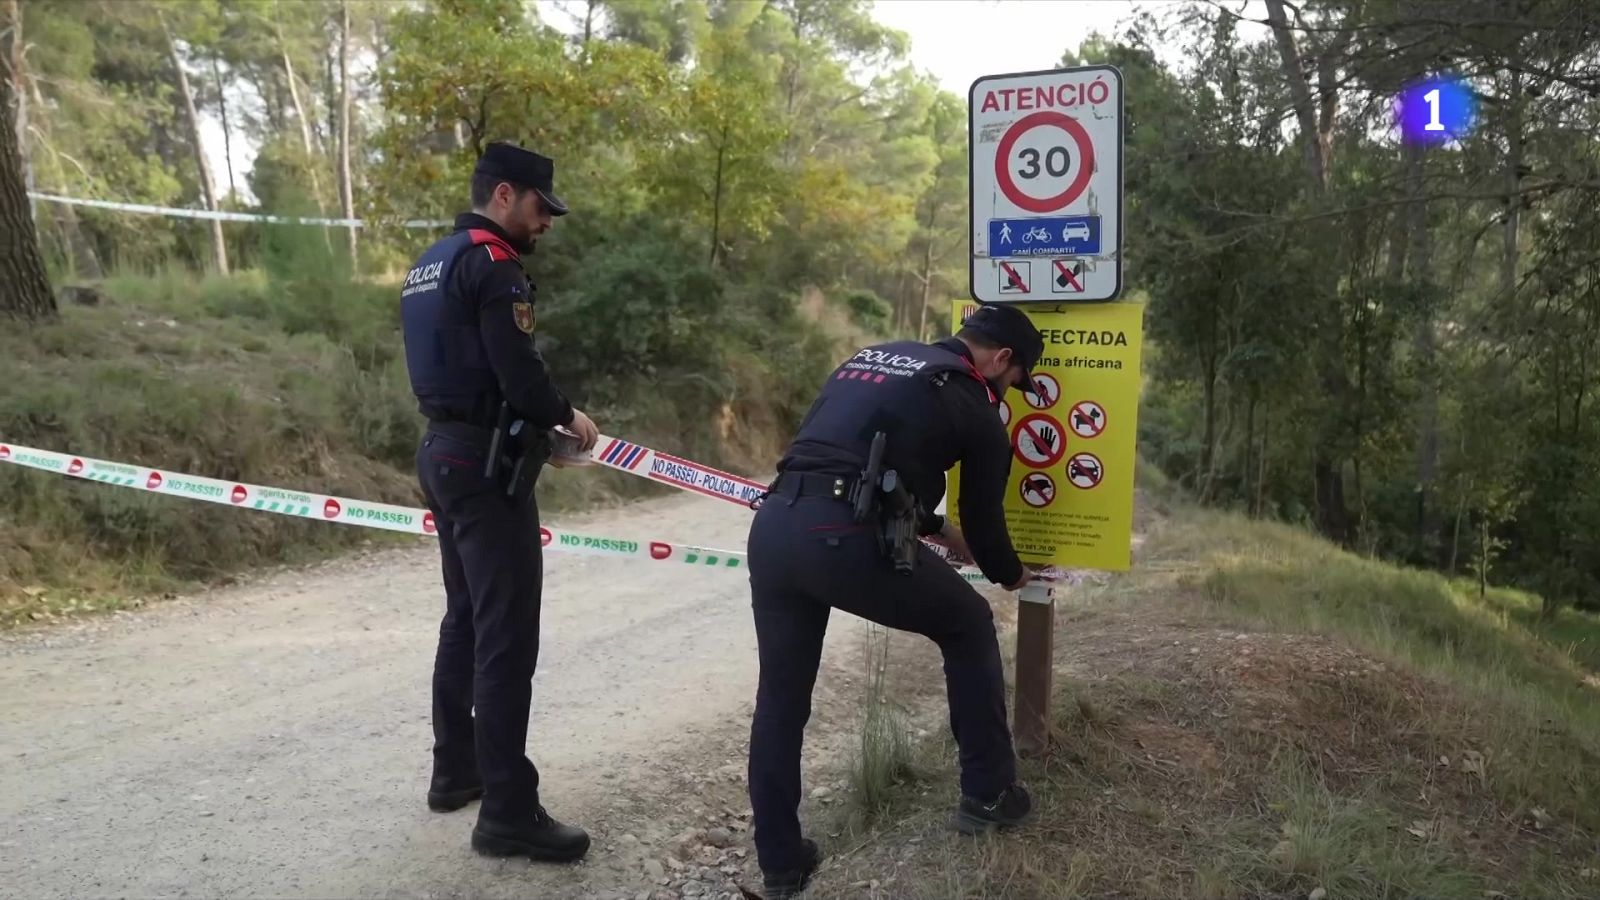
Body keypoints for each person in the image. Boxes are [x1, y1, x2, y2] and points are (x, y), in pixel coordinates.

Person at [744, 303, 1045, 897]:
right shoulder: (974, 402)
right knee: (968, 621)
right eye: (1015, 382)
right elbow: (984, 521)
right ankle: (989, 793)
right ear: (1002, 359)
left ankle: (780, 861)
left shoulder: (879, 357)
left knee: (781, 699)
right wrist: (1010, 573)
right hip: (840, 540)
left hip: (775, 525)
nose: (1011, 392)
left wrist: (933, 531)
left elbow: (860, 459)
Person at [399, 141, 600, 863]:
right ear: (507, 194)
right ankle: (510, 812)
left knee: (466, 619)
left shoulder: (430, 262)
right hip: (484, 466)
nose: (546, 222)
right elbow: (518, 373)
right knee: (506, 633)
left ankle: (457, 771)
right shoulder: (492, 262)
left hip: (442, 453)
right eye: (542, 208)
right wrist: (567, 418)